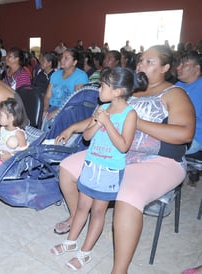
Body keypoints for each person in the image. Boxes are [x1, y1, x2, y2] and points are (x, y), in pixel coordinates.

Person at [53, 45, 195, 273]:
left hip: (159, 160)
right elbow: (97, 119)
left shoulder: (174, 94)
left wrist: (135, 121)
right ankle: (75, 217)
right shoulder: (128, 92)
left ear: (165, 68)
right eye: (141, 60)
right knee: (67, 168)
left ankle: (119, 270)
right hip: (115, 152)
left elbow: (185, 134)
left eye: (149, 62)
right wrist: (72, 128)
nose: (141, 65)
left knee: (127, 197)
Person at [50, 67, 147, 270]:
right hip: (92, 164)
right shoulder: (102, 107)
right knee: (82, 207)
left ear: (118, 91)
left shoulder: (130, 114)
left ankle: (85, 253)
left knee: (97, 211)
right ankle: (71, 241)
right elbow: (86, 137)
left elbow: (123, 146)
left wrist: (107, 123)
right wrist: (97, 120)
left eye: (103, 85)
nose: (98, 88)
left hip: (109, 170)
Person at [42, 48, 88, 130]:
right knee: (45, 118)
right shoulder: (55, 75)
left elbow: (76, 100)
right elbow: (48, 96)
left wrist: (58, 111)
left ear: (74, 62)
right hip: (52, 107)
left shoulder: (81, 76)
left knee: (52, 123)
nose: (62, 60)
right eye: (62, 57)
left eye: (66, 58)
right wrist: (45, 110)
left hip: (69, 110)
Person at [175, 50, 202, 154]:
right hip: (177, 131)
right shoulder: (179, 85)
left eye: (184, 65)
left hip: (195, 137)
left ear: (197, 68)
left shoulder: (200, 88)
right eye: (179, 64)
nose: (178, 68)